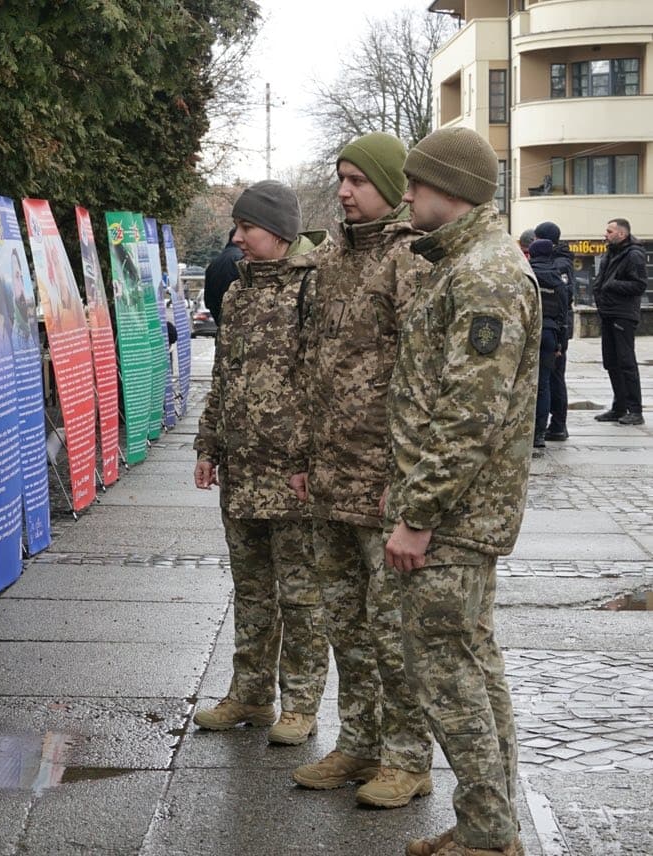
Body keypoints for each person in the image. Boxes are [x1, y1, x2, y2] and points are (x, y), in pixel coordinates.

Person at [387, 126, 538, 856]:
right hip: (461, 512)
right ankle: (490, 825)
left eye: (416, 183)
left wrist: (417, 516)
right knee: (472, 661)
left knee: (445, 672)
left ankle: (488, 835)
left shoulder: (483, 274)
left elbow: (469, 415)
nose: (406, 194)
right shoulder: (468, 264)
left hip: (451, 517)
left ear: (450, 189)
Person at [288, 133, 434, 809]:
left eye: (357, 180)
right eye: (340, 178)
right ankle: (359, 743)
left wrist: (405, 481)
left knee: (393, 631)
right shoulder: (329, 258)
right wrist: (302, 457)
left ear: (390, 184)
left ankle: (407, 760)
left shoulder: (411, 259)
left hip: (384, 481)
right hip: (329, 478)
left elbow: (425, 377)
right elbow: (309, 363)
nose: (344, 191)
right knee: (344, 624)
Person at [192, 180, 329, 747]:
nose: (238, 237)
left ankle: (300, 704)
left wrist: (312, 460)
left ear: (276, 231)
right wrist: (208, 445)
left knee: (301, 595)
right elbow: (223, 378)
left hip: (291, 476)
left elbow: (325, 383)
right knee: (250, 590)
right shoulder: (238, 292)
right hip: (243, 471)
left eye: (247, 227)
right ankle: (250, 693)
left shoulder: (313, 288)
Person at [591, 217, 647, 425]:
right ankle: (619, 407)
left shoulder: (634, 255)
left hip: (623, 314)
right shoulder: (611, 251)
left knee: (626, 362)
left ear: (621, 234)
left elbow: (639, 285)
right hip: (608, 312)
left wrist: (612, 285)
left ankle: (635, 411)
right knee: (611, 362)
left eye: (609, 231)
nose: (605, 234)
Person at [534, 221, 574, 440]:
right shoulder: (559, 263)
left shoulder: (558, 265)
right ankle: (550, 426)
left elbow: (564, 300)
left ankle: (557, 425)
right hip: (557, 328)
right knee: (550, 379)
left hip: (554, 327)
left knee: (553, 379)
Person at [528, 238, 568, 448]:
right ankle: (539, 434)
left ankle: (524, 430)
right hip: (550, 334)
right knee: (544, 384)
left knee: (525, 384)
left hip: (529, 332)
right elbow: (564, 313)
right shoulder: (557, 278)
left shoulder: (525, 273)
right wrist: (560, 345)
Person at [203, 227, 243, 326]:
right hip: (240, 318)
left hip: (220, 319)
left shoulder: (214, 263)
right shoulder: (243, 260)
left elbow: (208, 298)